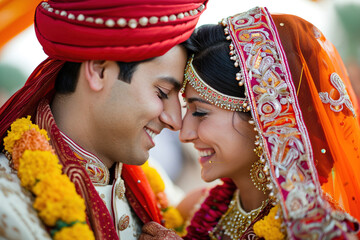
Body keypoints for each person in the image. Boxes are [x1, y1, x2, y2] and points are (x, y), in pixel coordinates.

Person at [140, 7, 360, 240]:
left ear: (264, 118)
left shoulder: (316, 231)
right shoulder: (194, 207)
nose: (184, 134)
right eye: (188, 110)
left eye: (201, 112)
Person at [0, 0, 208, 239]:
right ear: (99, 71)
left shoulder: (151, 182)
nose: (176, 122)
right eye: (161, 92)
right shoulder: (7, 206)